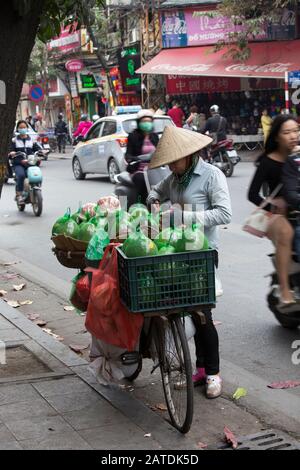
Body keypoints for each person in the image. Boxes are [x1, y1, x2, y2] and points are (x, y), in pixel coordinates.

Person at [147, 126, 232, 398]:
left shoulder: (211, 175)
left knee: (203, 314)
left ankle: (213, 374)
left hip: (203, 253)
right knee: (187, 311)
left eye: (175, 159)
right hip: (177, 255)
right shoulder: (174, 179)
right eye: (169, 161)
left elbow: (224, 214)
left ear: (190, 154)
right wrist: (154, 204)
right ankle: (199, 369)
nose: (172, 165)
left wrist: (185, 217)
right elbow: (155, 192)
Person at [248, 115, 300, 309]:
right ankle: (285, 290)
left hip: (297, 209)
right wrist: (273, 208)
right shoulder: (268, 162)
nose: (293, 136)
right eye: (287, 132)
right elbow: (252, 194)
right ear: (277, 137)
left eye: (296, 130)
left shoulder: (298, 156)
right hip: (277, 213)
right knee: (287, 232)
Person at [125, 109, 159, 204]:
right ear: (139, 123)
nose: (147, 123)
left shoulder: (154, 136)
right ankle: (140, 205)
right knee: (141, 180)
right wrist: (134, 159)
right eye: (144, 121)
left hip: (155, 170)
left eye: (149, 121)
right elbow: (128, 154)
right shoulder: (133, 136)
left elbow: (161, 151)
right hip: (139, 170)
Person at [9, 120, 42, 202]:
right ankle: (19, 195)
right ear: (17, 129)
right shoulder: (14, 140)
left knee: (36, 175)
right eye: (20, 127)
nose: (23, 129)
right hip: (18, 164)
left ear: (27, 128)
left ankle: (36, 189)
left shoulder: (31, 140)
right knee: (21, 175)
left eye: (24, 127)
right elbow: (10, 151)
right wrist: (12, 153)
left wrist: (42, 152)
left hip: (30, 163)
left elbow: (37, 149)